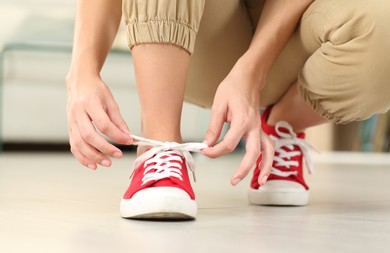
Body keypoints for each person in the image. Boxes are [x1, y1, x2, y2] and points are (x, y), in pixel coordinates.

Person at [66, 0, 390, 220]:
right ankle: (160, 145)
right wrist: (81, 72)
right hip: (190, 40)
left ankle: (280, 127)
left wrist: (251, 70)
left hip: (291, 38)